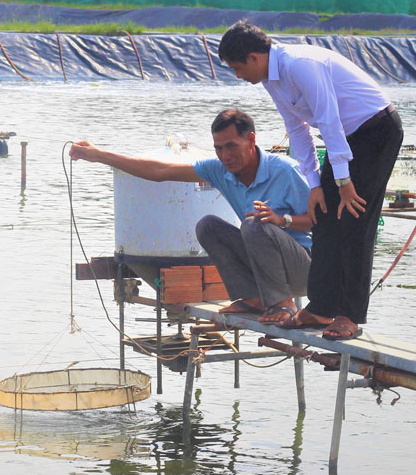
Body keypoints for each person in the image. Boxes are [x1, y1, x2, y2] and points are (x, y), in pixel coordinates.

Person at [217, 21, 404, 341]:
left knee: (355, 221)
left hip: (375, 131)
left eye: (237, 68)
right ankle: (322, 306)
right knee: (325, 219)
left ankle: (350, 315)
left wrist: (343, 182)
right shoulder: (269, 78)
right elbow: (298, 129)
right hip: (345, 139)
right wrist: (316, 185)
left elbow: (328, 118)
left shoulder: (300, 66)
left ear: (253, 58)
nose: (238, 76)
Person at [70, 108, 312, 323]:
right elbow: (160, 171)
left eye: (231, 147)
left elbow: (321, 222)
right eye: (218, 148)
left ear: (250, 140)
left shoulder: (285, 171)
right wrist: (99, 155)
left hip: (305, 268)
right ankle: (253, 297)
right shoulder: (220, 170)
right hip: (265, 266)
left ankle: (283, 302)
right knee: (208, 226)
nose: (225, 156)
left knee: (253, 224)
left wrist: (283, 220)